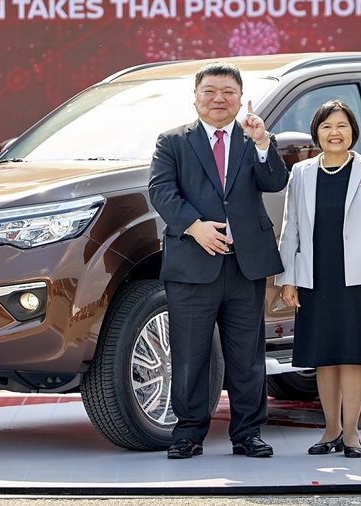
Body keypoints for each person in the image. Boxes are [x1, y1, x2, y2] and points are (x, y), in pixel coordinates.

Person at [148, 62, 289, 460]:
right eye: (209, 91)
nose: (218, 99)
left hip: (245, 266)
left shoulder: (253, 139)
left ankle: (248, 434)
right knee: (190, 355)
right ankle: (188, 433)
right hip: (193, 266)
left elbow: (275, 181)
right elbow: (161, 191)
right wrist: (195, 227)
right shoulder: (172, 141)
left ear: (241, 99)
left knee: (247, 357)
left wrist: (263, 143)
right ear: (195, 97)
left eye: (228, 92)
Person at [276, 100, 361, 457]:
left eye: (342, 125)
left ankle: (352, 433)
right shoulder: (301, 173)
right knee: (324, 355)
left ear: (352, 132)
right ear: (316, 132)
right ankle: (330, 430)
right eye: (327, 126)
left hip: (356, 276)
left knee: (352, 355)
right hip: (315, 275)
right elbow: (290, 228)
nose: (334, 132)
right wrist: (287, 278)